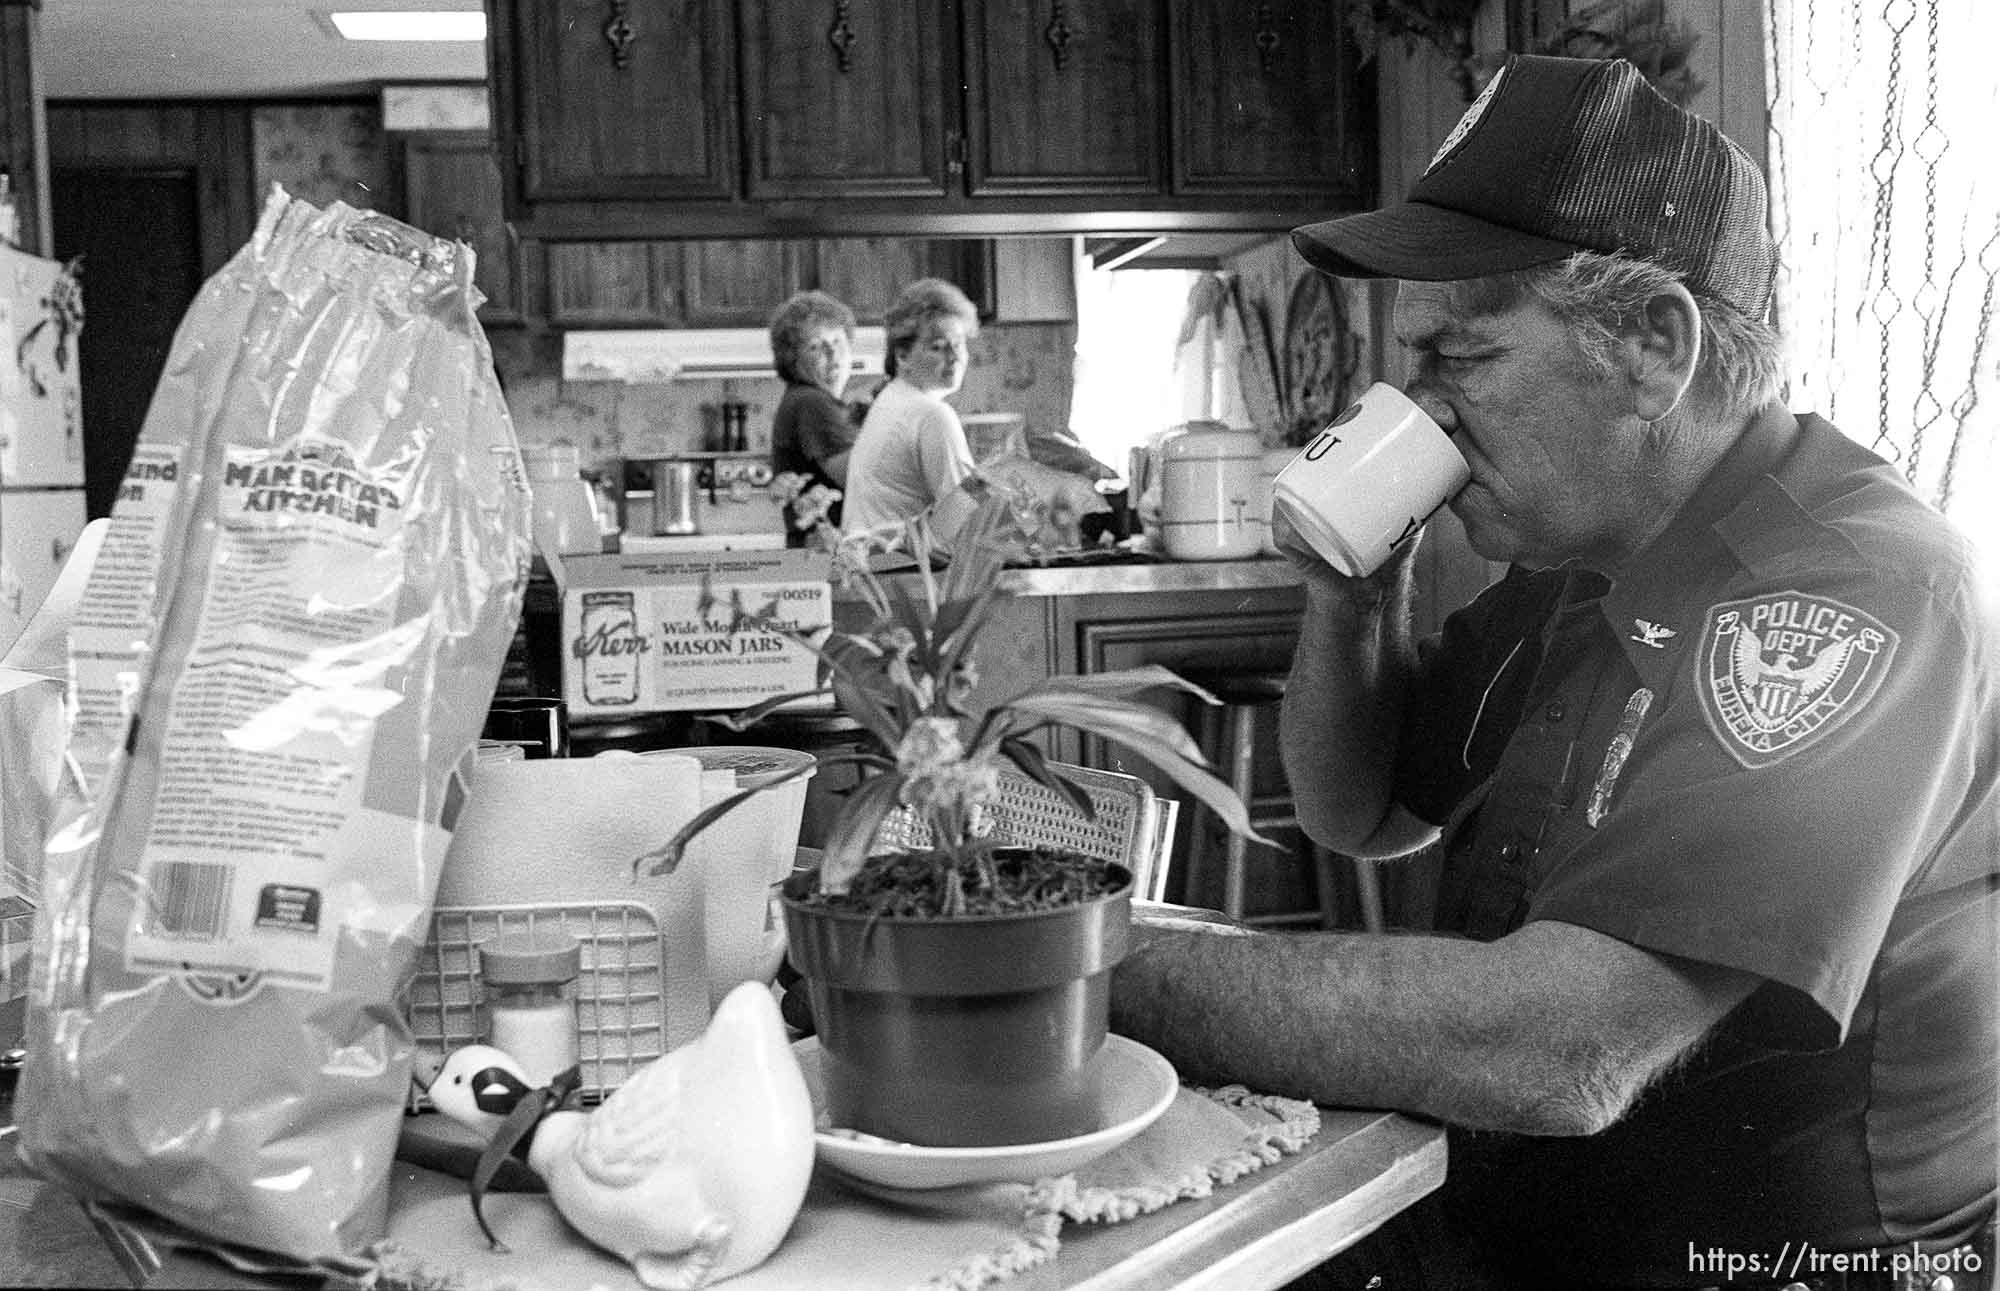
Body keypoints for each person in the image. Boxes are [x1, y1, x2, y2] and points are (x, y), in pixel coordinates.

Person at [1109, 54, 1996, 1291]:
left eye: (1454, 361)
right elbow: (1358, 813)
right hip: (1524, 1222)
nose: (1413, 413)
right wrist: (1348, 591)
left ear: (1647, 345)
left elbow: (1558, 1051)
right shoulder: (1584, 557)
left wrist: (1097, 967)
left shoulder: (1847, 594)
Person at [842, 277, 982, 546]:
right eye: (938, 347)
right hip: (902, 574)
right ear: (903, 356)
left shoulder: (890, 399)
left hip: (870, 570)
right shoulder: (931, 414)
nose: (954, 357)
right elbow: (966, 518)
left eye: (959, 343)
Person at [767, 289, 860, 540]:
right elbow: (859, 479)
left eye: (838, 341)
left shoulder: (803, 399)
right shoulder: (812, 403)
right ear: (793, 361)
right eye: (816, 346)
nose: (833, 354)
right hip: (827, 552)